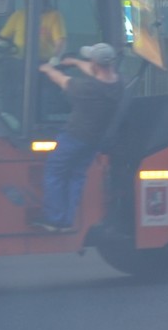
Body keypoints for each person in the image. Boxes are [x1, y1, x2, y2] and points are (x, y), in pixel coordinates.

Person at [34, 44, 125, 233]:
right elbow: (95, 72)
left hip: (74, 138)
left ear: (95, 64)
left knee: (55, 172)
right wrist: (75, 62)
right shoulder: (117, 83)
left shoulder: (86, 88)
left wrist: (47, 68)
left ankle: (54, 219)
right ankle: (67, 220)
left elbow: (60, 80)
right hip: (94, 141)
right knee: (76, 176)